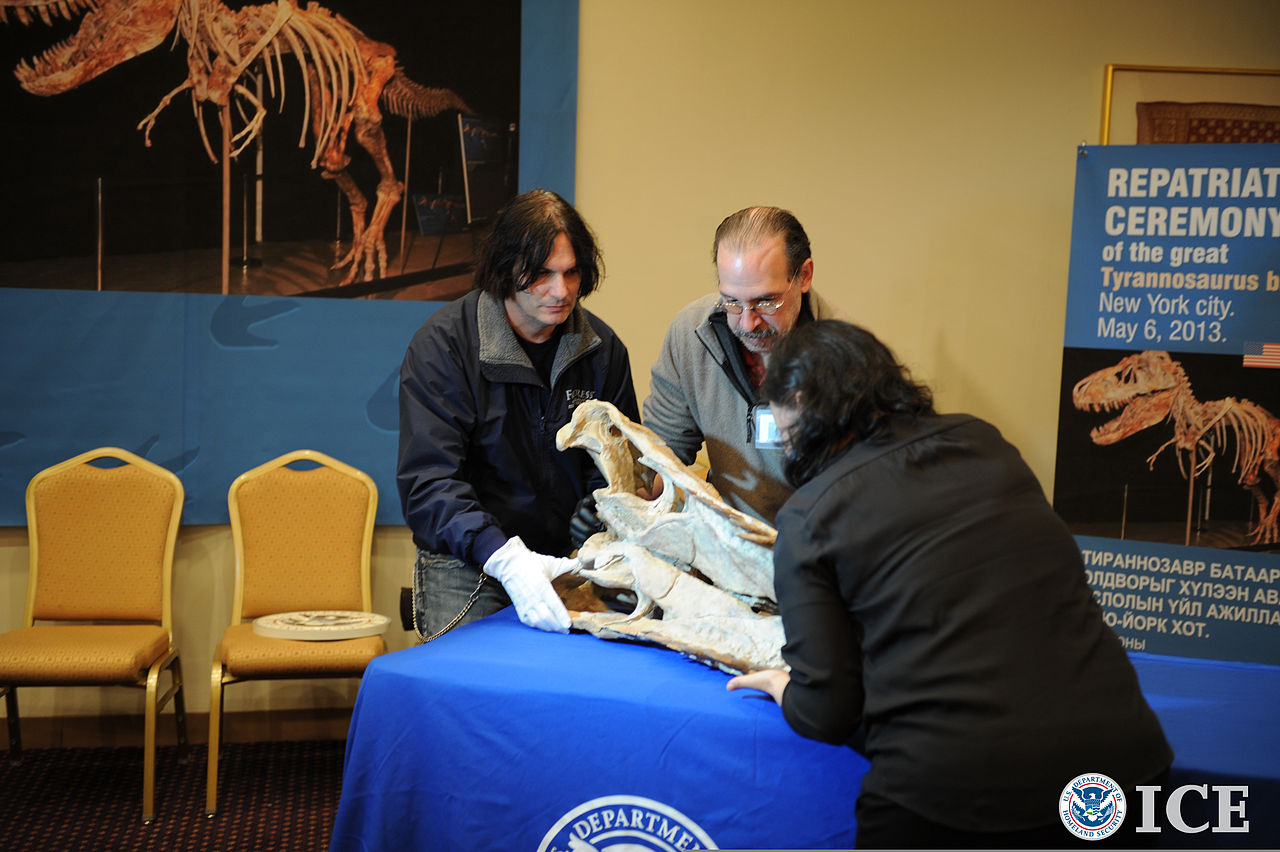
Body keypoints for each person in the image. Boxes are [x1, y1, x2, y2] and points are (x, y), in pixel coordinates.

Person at [727, 320, 1173, 849]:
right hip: (1123, 771)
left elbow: (826, 711)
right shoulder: (982, 440)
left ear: (798, 400)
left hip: (958, 797)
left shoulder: (809, 515)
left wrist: (783, 688)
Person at [397, 189, 640, 638]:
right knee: (470, 686)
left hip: (572, 554)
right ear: (506, 269)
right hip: (470, 557)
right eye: (542, 274)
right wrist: (504, 557)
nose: (561, 291)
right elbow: (428, 483)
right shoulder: (443, 347)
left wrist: (597, 509)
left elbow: (619, 465)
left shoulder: (603, 351)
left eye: (571, 273)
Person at [641, 206, 840, 524]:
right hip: (724, 540)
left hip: (814, 545)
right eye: (732, 301)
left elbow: (860, 493)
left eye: (766, 301)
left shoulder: (845, 361)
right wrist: (630, 497)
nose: (748, 323)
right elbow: (661, 454)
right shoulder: (691, 334)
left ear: (804, 276)